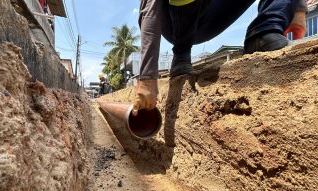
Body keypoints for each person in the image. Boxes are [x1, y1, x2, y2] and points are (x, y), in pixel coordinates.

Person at [132, 0, 308, 116]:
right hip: (175, 21)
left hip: (210, 15)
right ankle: (181, 53)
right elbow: (149, 6)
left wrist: (298, 8)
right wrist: (147, 78)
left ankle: (264, 32)